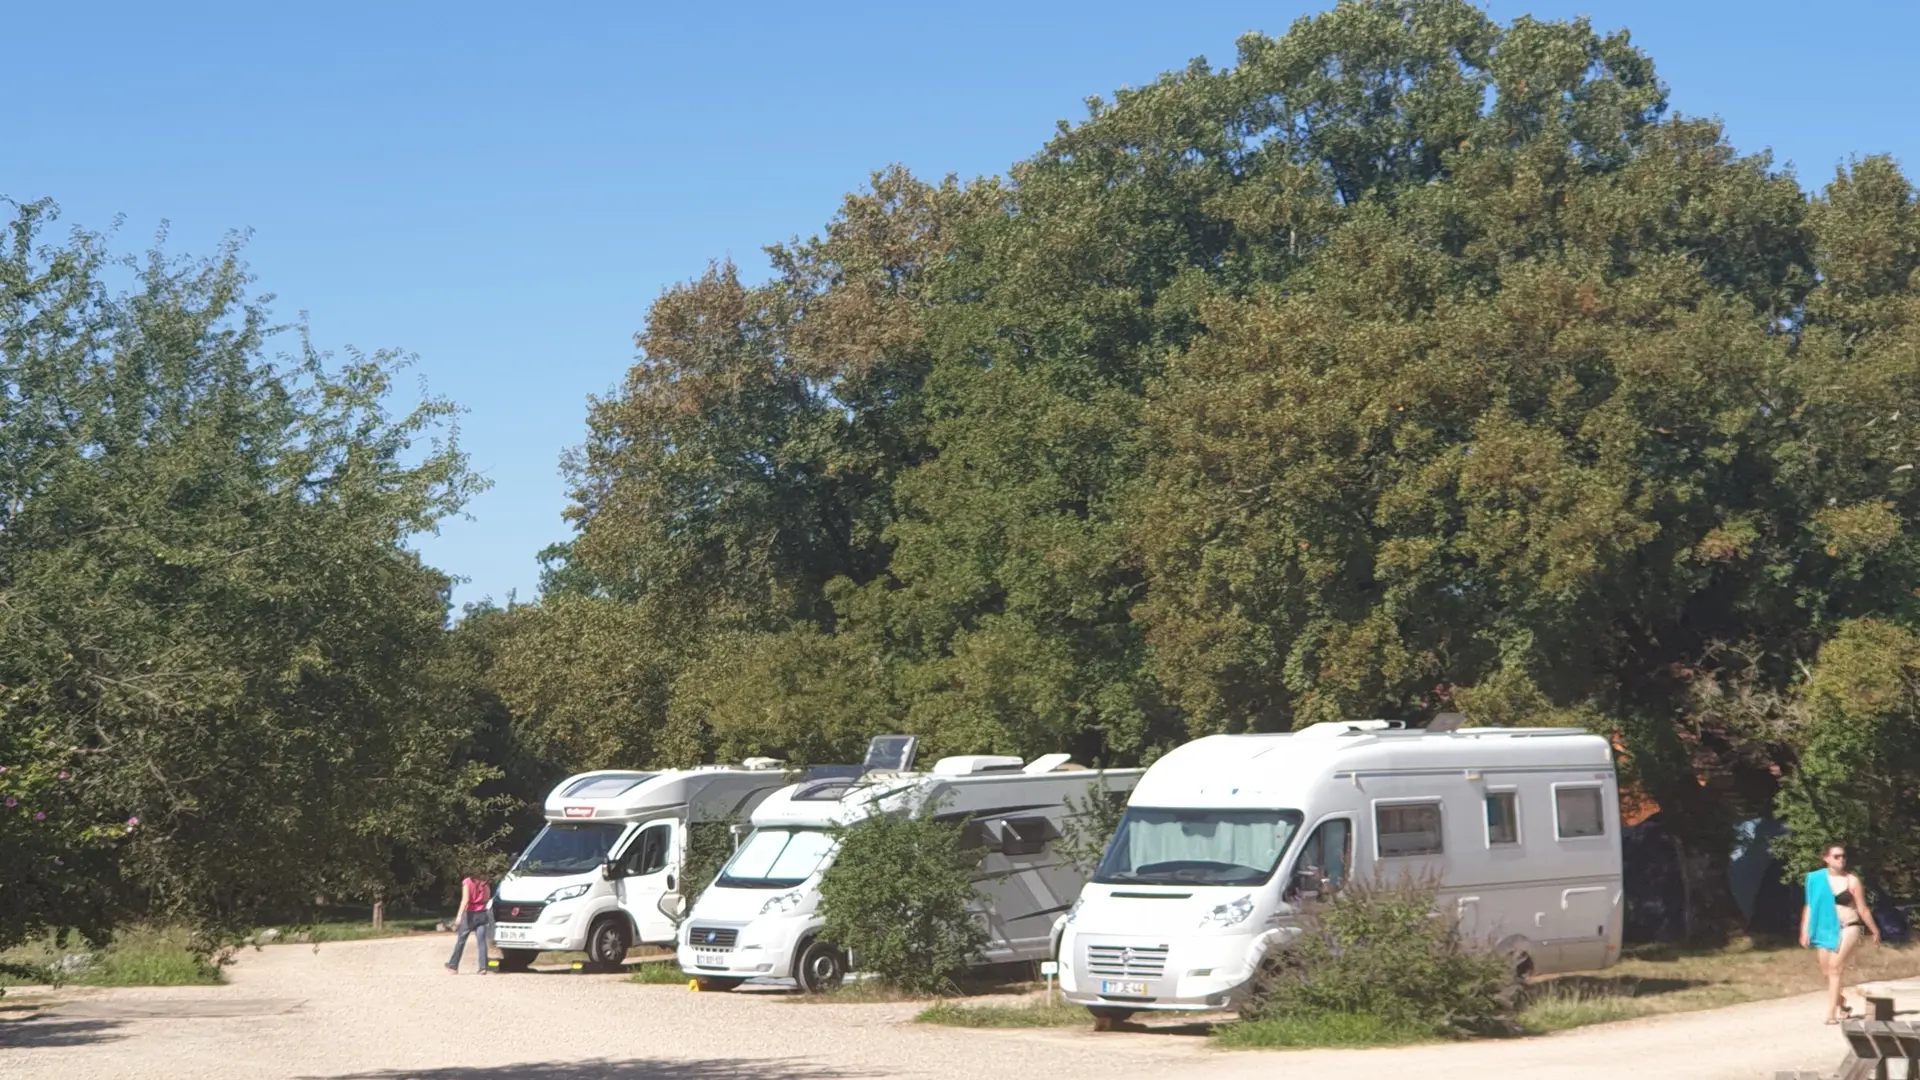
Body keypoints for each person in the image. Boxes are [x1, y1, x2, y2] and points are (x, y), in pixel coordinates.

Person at [1800, 842, 1881, 1023]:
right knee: (1826, 972)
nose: (1841, 859)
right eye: (1836, 856)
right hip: (1825, 929)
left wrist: (1874, 930)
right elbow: (1810, 906)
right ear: (1826, 858)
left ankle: (1830, 1014)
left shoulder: (1852, 880)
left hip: (1849, 927)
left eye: (1843, 856)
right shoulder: (1815, 879)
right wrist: (1805, 930)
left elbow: (1862, 908)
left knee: (1835, 968)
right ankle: (1842, 1003)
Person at [446, 869, 494, 974]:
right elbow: (487, 898)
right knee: (481, 941)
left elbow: (465, 900)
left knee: (461, 940)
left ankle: (453, 965)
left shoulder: (467, 882)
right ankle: (483, 967)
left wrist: (459, 915)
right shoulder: (484, 882)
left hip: (469, 914)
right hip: (482, 914)